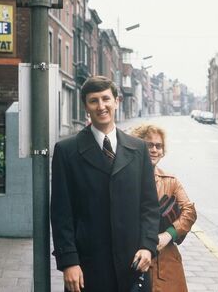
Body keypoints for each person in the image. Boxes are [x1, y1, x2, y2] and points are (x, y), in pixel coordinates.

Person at [50, 76, 160, 292]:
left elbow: (149, 207)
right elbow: (61, 214)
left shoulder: (138, 149)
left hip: (132, 265)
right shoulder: (67, 151)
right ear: (86, 107)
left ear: (116, 101)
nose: (101, 106)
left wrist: (147, 247)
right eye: (93, 101)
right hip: (88, 268)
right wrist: (69, 262)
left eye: (106, 99)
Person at [131, 124, 197, 292]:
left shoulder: (170, 181)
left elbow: (189, 212)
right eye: (148, 145)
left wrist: (168, 235)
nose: (154, 150)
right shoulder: (125, 179)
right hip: (134, 258)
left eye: (158, 146)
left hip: (166, 262)